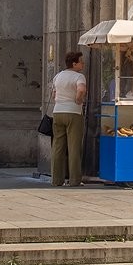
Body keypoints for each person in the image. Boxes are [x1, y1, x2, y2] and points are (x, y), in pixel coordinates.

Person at [49, 51, 86, 187]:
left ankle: (57, 179)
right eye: (81, 61)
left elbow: (54, 95)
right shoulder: (79, 76)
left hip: (58, 112)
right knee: (74, 147)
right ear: (74, 64)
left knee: (58, 146)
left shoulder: (58, 76)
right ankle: (74, 179)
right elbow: (81, 90)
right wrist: (78, 99)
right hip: (73, 113)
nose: (83, 64)